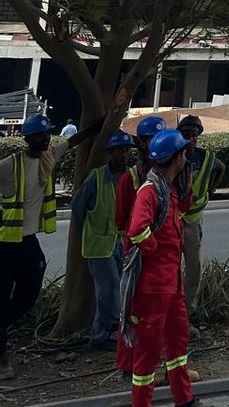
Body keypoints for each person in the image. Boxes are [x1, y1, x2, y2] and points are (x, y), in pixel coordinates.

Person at [0, 113, 98, 379]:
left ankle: (2, 323)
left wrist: (96, 127)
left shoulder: (48, 157)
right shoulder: (10, 165)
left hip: (27, 239)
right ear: (28, 138)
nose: (46, 138)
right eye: (41, 135)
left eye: (47, 133)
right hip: (6, 243)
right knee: (3, 294)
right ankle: (2, 357)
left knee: (31, 287)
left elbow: (72, 142)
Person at [120, 129, 195, 407]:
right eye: (184, 152)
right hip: (152, 288)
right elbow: (137, 230)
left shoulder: (169, 190)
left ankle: (184, 399)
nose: (186, 157)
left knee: (178, 346)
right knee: (147, 354)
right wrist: (155, 251)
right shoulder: (150, 191)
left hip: (171, 285)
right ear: (177, 158)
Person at [71, 131, 133, 350]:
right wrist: (91, 229)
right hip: (99, 244)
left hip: (121, 242)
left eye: (125, 150)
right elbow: (78, 207)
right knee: (109, 289)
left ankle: (103, 334)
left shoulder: (132, 176)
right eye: (118, 151)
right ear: (110, 153)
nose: (122, 155)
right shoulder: (96, 178)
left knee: (117, 288)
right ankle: (103, 335)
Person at [176, 115, 226, 324]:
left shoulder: (205, 158)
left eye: (194, 136)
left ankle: (188, 311)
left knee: (193, 267)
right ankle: (173, 309)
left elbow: (221, 168)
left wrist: (211, 190)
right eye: (186, 135)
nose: (191, 139)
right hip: (173, 219)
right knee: (171, 268)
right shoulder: (174, 155)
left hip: (192, 220)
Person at [115, 116, 166, 239]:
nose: (159, 144)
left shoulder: (170, 173)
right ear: (142, 143)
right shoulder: (129, 179)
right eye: (154, 139)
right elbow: (121, 222)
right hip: (143, 247)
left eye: (162, 139)